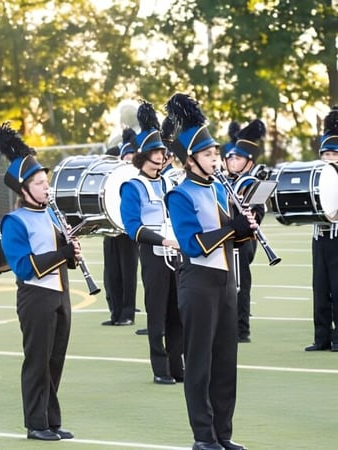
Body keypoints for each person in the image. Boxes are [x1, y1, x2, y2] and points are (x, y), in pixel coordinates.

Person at [164, 93, 255, 450]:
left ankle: (223, 433)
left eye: (216, 153)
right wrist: (232, 228)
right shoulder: (180, 195)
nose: (215, 159)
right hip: (197, 282)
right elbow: (193, 243)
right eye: (208, 155)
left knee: (225, 363)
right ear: (190, 160)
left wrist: (248, 226)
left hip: (224, 281)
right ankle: (204, 437)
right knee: (199, 363)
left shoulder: (219, 188)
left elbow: (233, 237)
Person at [0, 122, 78, 442]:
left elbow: (60, 256)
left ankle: (51, 419)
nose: (46, 187)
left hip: (60, 292)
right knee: (37, 361)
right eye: (40, 183)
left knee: (55, 360)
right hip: (36, 296)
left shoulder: (53, 214)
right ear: (24, 189)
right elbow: (25, 267)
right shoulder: (14, 221)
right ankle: (35, 423)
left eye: (46, 181)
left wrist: (72, 254)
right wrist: (63, 253)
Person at [119, 101, 184, 385]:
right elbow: (133, 227)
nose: (162, 155)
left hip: (177, 252)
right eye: (156, 152)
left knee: (177, 312)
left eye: (162, 151)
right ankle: (160, 368)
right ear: (144, 155)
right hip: (154, 253)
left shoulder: (170, 182)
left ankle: (177, 365)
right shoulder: (132, 186)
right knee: (157, 312)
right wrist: (163, 240)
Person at [223, 120, 267, 344]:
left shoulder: (253, 183)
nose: (232, 161)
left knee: (240, 285)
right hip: (222, 241)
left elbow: (258, 214)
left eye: (237, 158)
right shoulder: (220, 181)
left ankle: (242, 329)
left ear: (249, 163)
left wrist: (239, 206)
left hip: (243, 242)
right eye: (230, 157)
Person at [305, 107, 338, 352]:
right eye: (325, 153)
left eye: (333, 154)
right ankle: (322, 337)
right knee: (320, 288)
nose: (328, 158)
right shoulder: (317, 179)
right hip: (319, 239)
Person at [101, 128, 139, 327]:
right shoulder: (112, 176)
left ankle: (127, 313)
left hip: (128, 231)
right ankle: (115, 312)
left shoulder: (136, 177)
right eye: (126, 156)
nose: (129, 159)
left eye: (133, 156)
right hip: (111, 228)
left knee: (128, 273)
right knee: (111, 273)